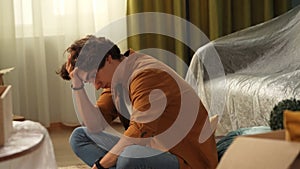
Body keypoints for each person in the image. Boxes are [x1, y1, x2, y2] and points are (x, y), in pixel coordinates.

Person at [57, 35, 218, 169]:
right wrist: (77, 86)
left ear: (108, 59)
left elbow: (138, 132)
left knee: (129, 157)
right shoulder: (116, 78)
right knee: (79, 137)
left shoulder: (146, 75)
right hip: (150, 148)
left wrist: (100, 165)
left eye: (94, 77)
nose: (96, 85)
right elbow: (94, 125)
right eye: (89, 81)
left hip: (185, 158)